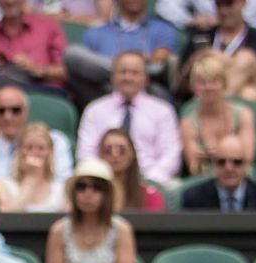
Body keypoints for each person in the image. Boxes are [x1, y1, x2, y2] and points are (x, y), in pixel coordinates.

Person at [77, 52, 183, 185]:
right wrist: (102, 177)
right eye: (123, 72)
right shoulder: (94, 110)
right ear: (112, 76)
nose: (128, 77)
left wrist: (149, 181)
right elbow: (85, 153)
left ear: (146, 78)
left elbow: (171, 154)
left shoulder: (163, 111)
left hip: (151, 180)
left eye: (135, 73)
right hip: (104, 184)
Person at [66, 0, 181, 104]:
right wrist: (133, 64)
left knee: (158, 84)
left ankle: (131, 71)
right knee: (73, 53)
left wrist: (131, 69)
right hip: (104, 91)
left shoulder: (163, 28)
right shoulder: (96, 32)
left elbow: (159, 61)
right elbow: (87, 67)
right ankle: (129, 70)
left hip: (147, 91)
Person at [0, 87, 74, 189]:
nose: (7, 117)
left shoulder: (56, 141)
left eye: (15, 110)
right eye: (0, 111)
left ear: (27, 112)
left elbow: (64, 186)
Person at [178, 0, 256, 101]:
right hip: (204, 94)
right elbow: (179, 83)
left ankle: (218, 106)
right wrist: (197, 60)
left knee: (246, 59)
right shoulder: (201, 37)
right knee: (247, 93)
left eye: (229, 3)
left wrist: (225, 61)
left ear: (243, 3)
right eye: (219, 4)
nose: (223, 10)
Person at [0, 0, 68, 100]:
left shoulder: (48, 27)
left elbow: (66, 73)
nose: (10, 2)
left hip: (41, 93)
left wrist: (38, 70)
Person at [181, 53, 256, 177]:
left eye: (214, 81)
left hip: (241, 175)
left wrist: (218, 155)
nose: (208, 87)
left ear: (224, 84)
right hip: (205, 179)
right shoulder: (188, 122)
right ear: (194, 87)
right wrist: (200, 161)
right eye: (202, 82)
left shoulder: (243, 114)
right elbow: (193, 167)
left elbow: (247, 158)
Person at [181, 134, 256, 210]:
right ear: (214, 164)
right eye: (221, 162)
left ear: (246, 166)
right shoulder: (195, 198)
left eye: (237, 162)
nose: (229, 168)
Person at [0, 123, 63, 213]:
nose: (34, 153)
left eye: (40, 148)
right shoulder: (1, 185)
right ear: (20, 150)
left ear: (50, 152)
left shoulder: (61, 190)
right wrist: (31, 179)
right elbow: (7, 214)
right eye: (29, 148)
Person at [98, 129, 168, 212]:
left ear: (132, 153)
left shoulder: (151, 196)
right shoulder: (91, 194)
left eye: (122, 150)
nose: (115, 155)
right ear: (100, 155)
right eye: (108, 150)